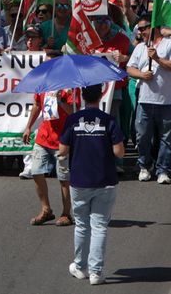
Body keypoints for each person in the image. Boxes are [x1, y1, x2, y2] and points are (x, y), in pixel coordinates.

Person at [60, 83, 127, 286]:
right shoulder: (109, 120)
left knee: (82, 226)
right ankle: (96, 272)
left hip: (80, 180)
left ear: (82, 95)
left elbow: (62, 150)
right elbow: (119, 152)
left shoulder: (72, 120)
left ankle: (80, 267)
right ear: (100, 96)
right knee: (99, 227)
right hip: (105, 180)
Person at [21, 59, 75, 227]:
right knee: (36, 172)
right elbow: (37, 104)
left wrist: (61, 101)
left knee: (63, 178)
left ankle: (66, 214)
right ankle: (46, 210)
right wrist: (28, 127)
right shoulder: (42, 84)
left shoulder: (69, 87)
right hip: (43, 137)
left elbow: (73, 112)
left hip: (63, 140)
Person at [125, 26, 171, 184]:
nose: (140, 32)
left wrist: (157, 58)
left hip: (167, 101)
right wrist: (141, 75)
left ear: (154, 27)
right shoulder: (140, 48)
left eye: (144, 28)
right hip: (145, 100)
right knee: (142, 135)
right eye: (139, 29)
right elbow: (130, 68)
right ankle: (144, 166)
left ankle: (163, 170)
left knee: (166, 137)